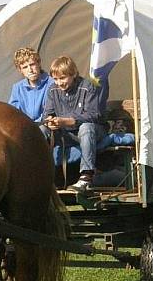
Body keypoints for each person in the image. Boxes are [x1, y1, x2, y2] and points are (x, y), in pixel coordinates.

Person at [40, 55, 105, 192]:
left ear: (74, 74)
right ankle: (38, 174)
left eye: (62, 78)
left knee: (86, 128)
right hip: (64, 134)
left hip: (89, 132)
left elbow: (94, 115)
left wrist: (69, 121)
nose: (59, 83)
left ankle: (86, 177)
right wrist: (50, 122)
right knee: (41, 130)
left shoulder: (87, 87)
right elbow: (47, 114)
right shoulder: (52, 90)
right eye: (56, 79)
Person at [8, 47, 53, 122]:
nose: (30, 70)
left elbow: (51, 112)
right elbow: (13, 112)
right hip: (25, 127)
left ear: (39, 63)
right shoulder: (17, 88)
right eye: (25, 67)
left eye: (32, 64)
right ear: (20, 70)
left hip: (46, 126)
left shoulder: (52, 83)